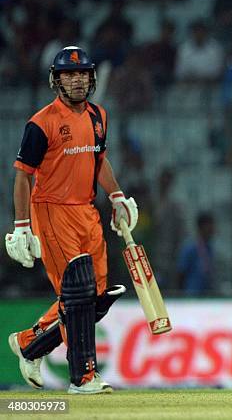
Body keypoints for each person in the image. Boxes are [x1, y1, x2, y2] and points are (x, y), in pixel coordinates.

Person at [5, 46, 139, 394]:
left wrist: (117, 195)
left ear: (91, 79)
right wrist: (22, 226)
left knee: (92, 297)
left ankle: (30, 344)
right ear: (57, 80)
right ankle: (82, 377)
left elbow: (99, 160)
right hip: (52, 210)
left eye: (82, 74)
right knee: (78, 293)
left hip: (86, 211)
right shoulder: (41, 123)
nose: (77, 80)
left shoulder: (98, 116)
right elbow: (23, 176)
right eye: (69, 75)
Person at [177, 212, 214, 296]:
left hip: (206, 294)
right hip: (191, 294)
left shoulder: (209, 248)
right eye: (209, 226)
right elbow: (180, 273)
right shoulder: (190, 248)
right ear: (201, 227)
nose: (212, 229)